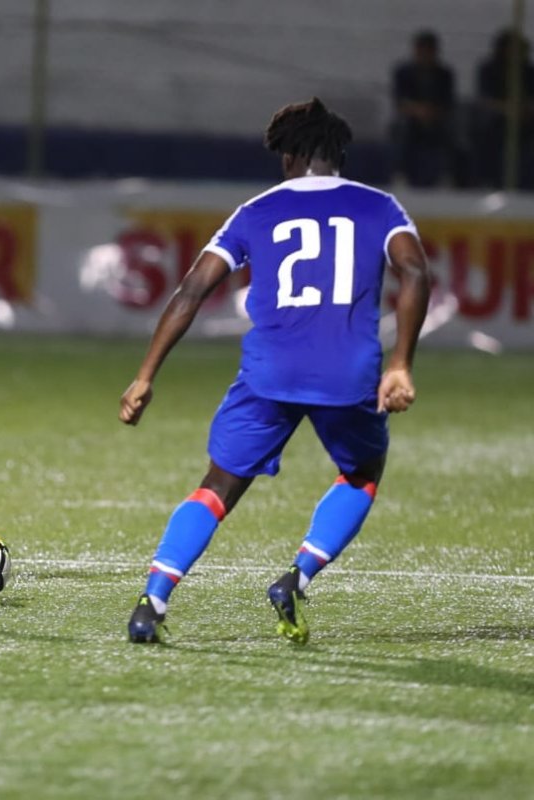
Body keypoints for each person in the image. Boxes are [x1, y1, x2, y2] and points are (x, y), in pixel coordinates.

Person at [120, 98, 431, 644]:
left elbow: (193, 289)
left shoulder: (255, 211)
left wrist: (146, 374)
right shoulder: (380, 207)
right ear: (338, 153)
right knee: (361, 473)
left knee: (217, 486)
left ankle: (152, 601)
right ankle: (296, 577)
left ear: (289, 156)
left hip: (269, 374)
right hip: (348, 373)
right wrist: (401, 362)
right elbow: (414, 271)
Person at [390, 30, 456, 187]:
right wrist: (419, 111)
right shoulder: (403, 72)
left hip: (436, 119)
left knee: (451, 132)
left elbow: (447, 102)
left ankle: (446, 174)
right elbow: (400, 101)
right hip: (411, 118)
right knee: (402, 129)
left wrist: (431, 113)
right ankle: (401, 173)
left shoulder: (444, 74)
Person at [473, 28, 534, 189]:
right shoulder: (489, 69)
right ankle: (490, 181)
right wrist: (507, 109)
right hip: (496, 123)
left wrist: (523, 110)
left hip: (524, 124)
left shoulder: (528, 72)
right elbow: (485, 100)